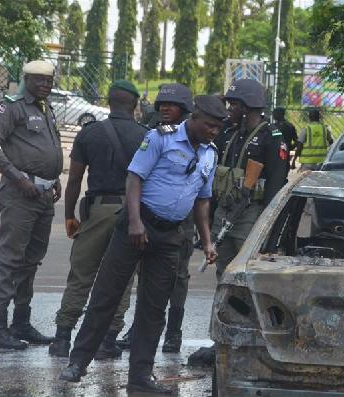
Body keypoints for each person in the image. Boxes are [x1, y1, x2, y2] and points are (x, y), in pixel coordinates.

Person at [59, 96, 227, 394]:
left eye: (218, 127)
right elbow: (135, 178)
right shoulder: (161, 138)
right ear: (196, 117)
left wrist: (208, 239)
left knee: (153, 308)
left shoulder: (210, 154)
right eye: (210, 125)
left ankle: (140, 377)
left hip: (169, 236)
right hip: (136, 225)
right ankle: (78, 362)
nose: (215, 131)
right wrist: (135, 221)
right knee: (106, 295)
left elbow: (202, 200)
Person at [188, 79, 288, 365]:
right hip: (225, 215)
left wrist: (270, 231)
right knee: (224, 278)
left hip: (251, 216)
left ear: (246, 107)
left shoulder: (272, 136)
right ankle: (223, 339)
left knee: (249, 281)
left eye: (233, 104)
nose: (229, 108)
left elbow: (276, 189)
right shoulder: (230, 133)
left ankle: (254, 341)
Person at [48, 80, 147, 359]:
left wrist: (69, 216)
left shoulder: (90, 133)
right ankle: (108, 341)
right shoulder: (146, 135)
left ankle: (62, 338)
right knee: (122, 279)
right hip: (131, 212)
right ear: (135, 105)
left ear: (109, 101)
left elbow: (75, 180)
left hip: (97, 210)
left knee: (81, 276)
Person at [116, 83, 196, 353]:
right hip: (152, 214)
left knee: (179, 276)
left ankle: (174, 331)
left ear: (184, 110)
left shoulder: (198, 135)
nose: (164, 109)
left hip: (182, 218)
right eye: (161, 104)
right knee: (145, 272)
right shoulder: (155, 131)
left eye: (171, 105)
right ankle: (140, 329)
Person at [0, 60, 63, 349]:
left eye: (49, 81)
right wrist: (19, 179)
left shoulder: (46, 109)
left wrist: (54, 177)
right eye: (39, 81)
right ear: (26, 79)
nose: (45, 85)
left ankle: (21, 322)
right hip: (21, 194)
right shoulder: (11, 107)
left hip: (45, 194)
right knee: (11, 261)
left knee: (31, 261)